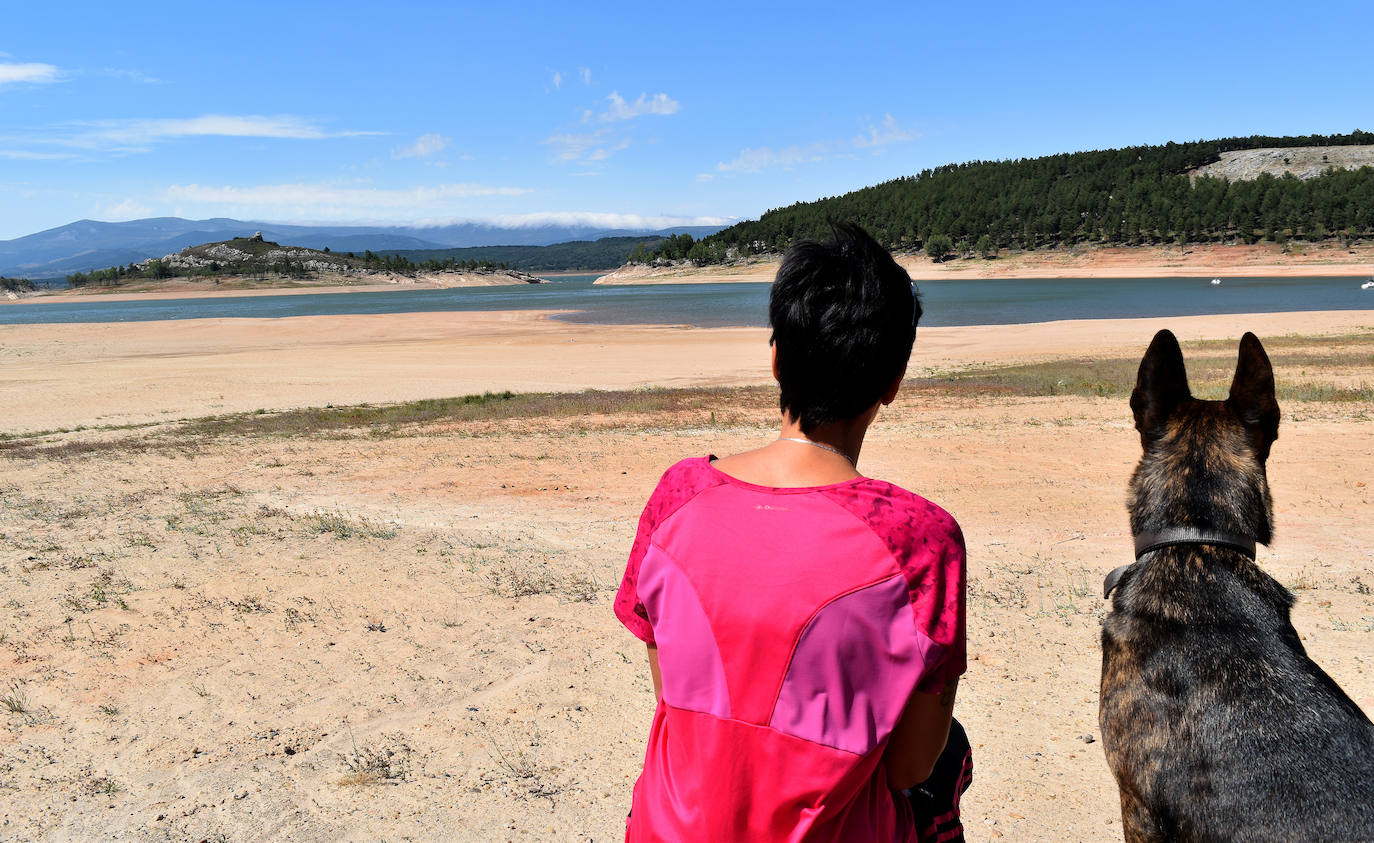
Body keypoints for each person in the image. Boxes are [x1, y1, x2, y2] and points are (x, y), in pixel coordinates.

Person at [613, 222, 969, 841]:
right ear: (893, 382)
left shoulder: (679, 496)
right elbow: (911, 763)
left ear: (776, 359)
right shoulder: (921, 538)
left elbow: (671, 693)